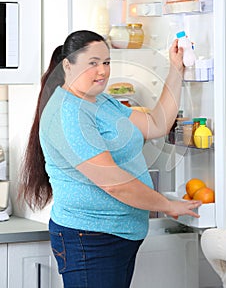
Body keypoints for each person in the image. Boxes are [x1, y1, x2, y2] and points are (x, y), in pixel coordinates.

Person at [19, 30, 201, 288]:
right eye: (92, 63)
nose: (102, 71)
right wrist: (167, 205)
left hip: (119, 236)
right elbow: (114, 183)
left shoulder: (101, 101)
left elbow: (156, 123)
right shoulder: (67, 113)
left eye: (106, 62)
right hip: (90, 240)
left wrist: (176, 69)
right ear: (68, 66)